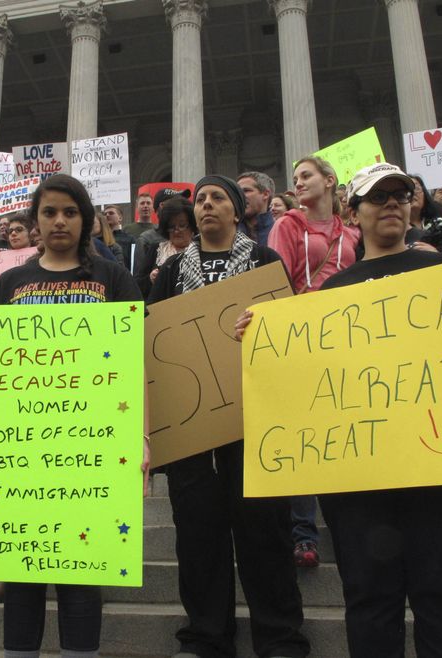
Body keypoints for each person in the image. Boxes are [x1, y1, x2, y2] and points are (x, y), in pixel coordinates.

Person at [238, 162, 442, 658]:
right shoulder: (331, 295)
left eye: (401, 194)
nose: (392, 203)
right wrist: (260, 340)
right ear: (355, 211)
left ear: (412, 205)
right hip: (360, 480)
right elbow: (308, 381)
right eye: (378, 196)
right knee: (369, 600)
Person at [0, 174, 147, 658]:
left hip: (92, 446)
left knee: (84, 575)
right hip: (19, 451)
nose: (60, 221)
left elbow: (134, 362)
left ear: (86, 219)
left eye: (70, 212)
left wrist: (141, 437)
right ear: (35, 221)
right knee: (20, 576)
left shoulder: (112, 279)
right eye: (49, 212)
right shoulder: (11, 283)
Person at [148, 175, 310, 658]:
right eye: (200, 200)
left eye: (218, 198)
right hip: (192, 433)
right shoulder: (173, 271)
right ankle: (206, 636)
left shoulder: (265, 262)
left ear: (238, 211)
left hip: (257, 425)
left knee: (266, 533)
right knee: (198, 538)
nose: (207, 206)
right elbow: (152, 340)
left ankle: (280, 637)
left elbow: (291, 332)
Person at [267, 155, 360, 567]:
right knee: (306, 439)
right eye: (295, 178)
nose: (298, 182)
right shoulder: (288, 225)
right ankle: (303, 533)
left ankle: (349, 528)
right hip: (302, 339)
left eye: (306, 175)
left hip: (347, 341)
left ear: (329, 180)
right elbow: (275, 279)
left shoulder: (352, 233)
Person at [134, 197, 197, 299]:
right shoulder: (155, 250)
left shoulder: (201, 250)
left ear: (192, 226)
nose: (176, 231)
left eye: (182, 225)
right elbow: (137, 286)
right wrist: (150, 279)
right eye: (171, 226)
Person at [236, 171, 276, 245]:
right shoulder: (226, 233)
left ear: (265, 194)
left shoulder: (280, 231)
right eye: (237, 192)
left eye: (246, 191)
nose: (240, 196)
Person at [104, 204, 134, 269]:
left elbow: (133, 262)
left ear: (120, 218)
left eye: (111, 213)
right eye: (105, 214)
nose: (107, 215)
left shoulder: (130, 239)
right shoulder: (99, 239)